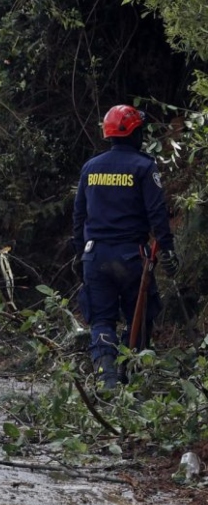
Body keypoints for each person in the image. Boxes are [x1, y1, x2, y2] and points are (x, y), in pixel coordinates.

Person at [72, 105, 178, 390]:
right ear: (134, 133)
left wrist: (78, 253)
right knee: (139, 318)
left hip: (95, 256)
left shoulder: (90, 168)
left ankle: (108, 381)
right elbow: (158, 214)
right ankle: (128, 377)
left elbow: (79, 216)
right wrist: (167, 250)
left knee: (102, 320)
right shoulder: (144, 166)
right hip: (132, 257)